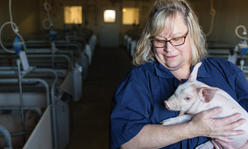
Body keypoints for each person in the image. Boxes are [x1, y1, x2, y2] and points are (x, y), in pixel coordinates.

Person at [109, 0, 248, 148]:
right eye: (160, 40)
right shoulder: (138, 81)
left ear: (192, 35)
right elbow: (127, 142)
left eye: (177, 39)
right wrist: (192, 129)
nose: (169, 48)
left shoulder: (228, 72)